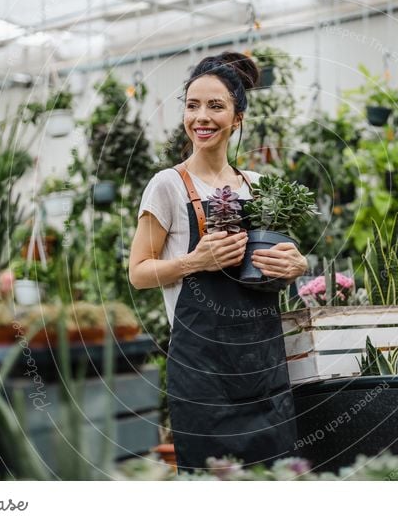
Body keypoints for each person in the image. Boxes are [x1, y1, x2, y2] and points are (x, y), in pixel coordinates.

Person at [128, 51, 308, 473]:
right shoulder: (168, 186)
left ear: (238, 118)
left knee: (272, 485)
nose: (200, 117)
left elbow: (274, 265)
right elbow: (138, 273)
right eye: (192, 105)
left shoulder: (258, 187)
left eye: (215, 106)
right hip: (202, 373)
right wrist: (194, 261)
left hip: (263, 367)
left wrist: (296, 265)